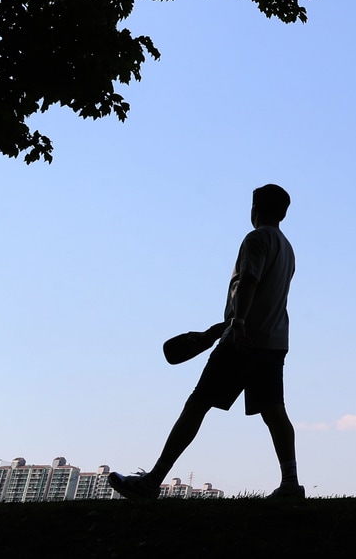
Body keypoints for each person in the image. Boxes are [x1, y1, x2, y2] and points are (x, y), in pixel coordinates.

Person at [110, 184, 303, 500]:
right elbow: (266, 297)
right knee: (274, 411)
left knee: (197, 404)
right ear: (282, 213)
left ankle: (152, 481)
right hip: (274, 342)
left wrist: (237, 325)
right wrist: (220, 328)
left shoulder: (255, 239)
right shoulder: (288, 249)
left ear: (256, 209)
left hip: (242, 342)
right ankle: (291, 483)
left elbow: (249, 282)